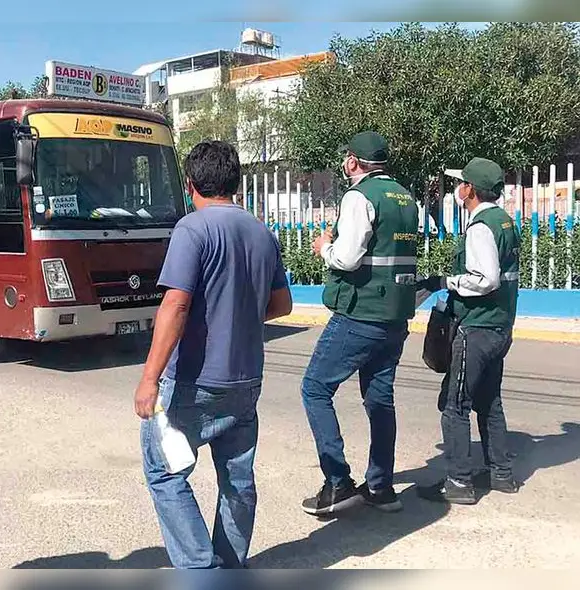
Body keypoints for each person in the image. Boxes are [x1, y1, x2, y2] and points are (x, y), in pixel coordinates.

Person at [134, 140, 293, 569]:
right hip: (246, 380)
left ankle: (201, 570)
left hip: (195, 381)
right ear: (235, 182)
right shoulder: (262, 232)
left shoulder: (192, 229)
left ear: (190, 184)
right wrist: (237, 313)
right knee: (237, 478)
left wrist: (149, 378)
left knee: (164, 471)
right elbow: (282, 305)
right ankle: (230, 564)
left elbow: (176, 305)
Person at [300, 131, 420, 516]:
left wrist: (324, 248)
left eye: (346, 158)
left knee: (315, 388)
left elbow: (348, 258)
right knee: (380, 399)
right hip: (395, 315)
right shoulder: (405, 197)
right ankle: (381, 488)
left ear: (353, 161)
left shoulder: (359, 196)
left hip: (360, 312)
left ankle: (337, 483)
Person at [416, 157, 522, 505]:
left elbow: (486, 279)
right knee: (489, 402)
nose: (457, 188)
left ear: (470, 190)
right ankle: (501, 474)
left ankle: (459, 482)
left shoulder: (480, 227)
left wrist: (446, 282)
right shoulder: (504, 221)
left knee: (455, 405)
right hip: (500, 326)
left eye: (461, 183)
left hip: (476, 327)